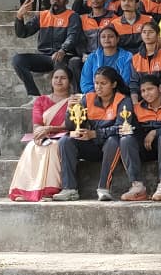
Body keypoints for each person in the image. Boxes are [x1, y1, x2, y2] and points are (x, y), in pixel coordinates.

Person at [53, 67, 136, 202]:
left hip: (113, 148)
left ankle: (103, 188)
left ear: (114, 84)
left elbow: (122, 128)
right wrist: (70, 110)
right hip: (92, 146)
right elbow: (71, 126)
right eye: (96, 83)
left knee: (113, 140)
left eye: (103, 83)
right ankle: (69, 189)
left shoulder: (123, 101)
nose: (98, 87)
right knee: (65, 141)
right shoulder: (88, 98)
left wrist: (95, 134)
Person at [9, 68, 76, 202]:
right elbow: (37, 124)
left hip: (64, 137)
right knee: (31, 147)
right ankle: (26, 190)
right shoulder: (41, 100)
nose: (59, 81)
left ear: (69, 82)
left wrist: (50, 129)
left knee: (53, 146)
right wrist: (40, 134)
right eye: (56, 77)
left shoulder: (74, 100)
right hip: (44, 135)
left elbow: (73, 125)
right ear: (51, 80)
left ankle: (49, 190)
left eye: (63, 78)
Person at [12, 0, 83, 97]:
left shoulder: (72, 16)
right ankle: (34, 95)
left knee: (62, 61)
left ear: (67, 1)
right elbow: (22, 33)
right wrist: (19, 17)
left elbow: (72, 36)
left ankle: (65, 97)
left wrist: (63, 50)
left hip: (64, 56)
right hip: (44, 57)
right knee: (18, 60)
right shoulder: (42, 15)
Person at [121, 75, 161, 201]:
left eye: (150, 89)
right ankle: (137, 187)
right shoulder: (137, 108)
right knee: (126, 140)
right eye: (143, 91)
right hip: (145, 148)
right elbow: (134, 131)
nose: (146, 93)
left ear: (160, 88)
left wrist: (156, 132)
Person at [81, 26, 133, 94]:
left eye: (110, 36)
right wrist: (95, 94)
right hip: (96, 94)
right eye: (103, 37)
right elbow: (85, 82)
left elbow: (125, 81)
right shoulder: (92, 57)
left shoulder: (127, 57)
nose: (107, 39)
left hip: (118, 94)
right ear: (99, 40)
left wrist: (111, 95)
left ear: (117, 39)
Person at [128, 21, 161, 99]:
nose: (147, 35)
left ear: (158, 35)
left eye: (151, 32)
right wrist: (134, 100)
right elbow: (134, 82)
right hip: (142, 96)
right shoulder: (135, 58)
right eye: (144, 32)